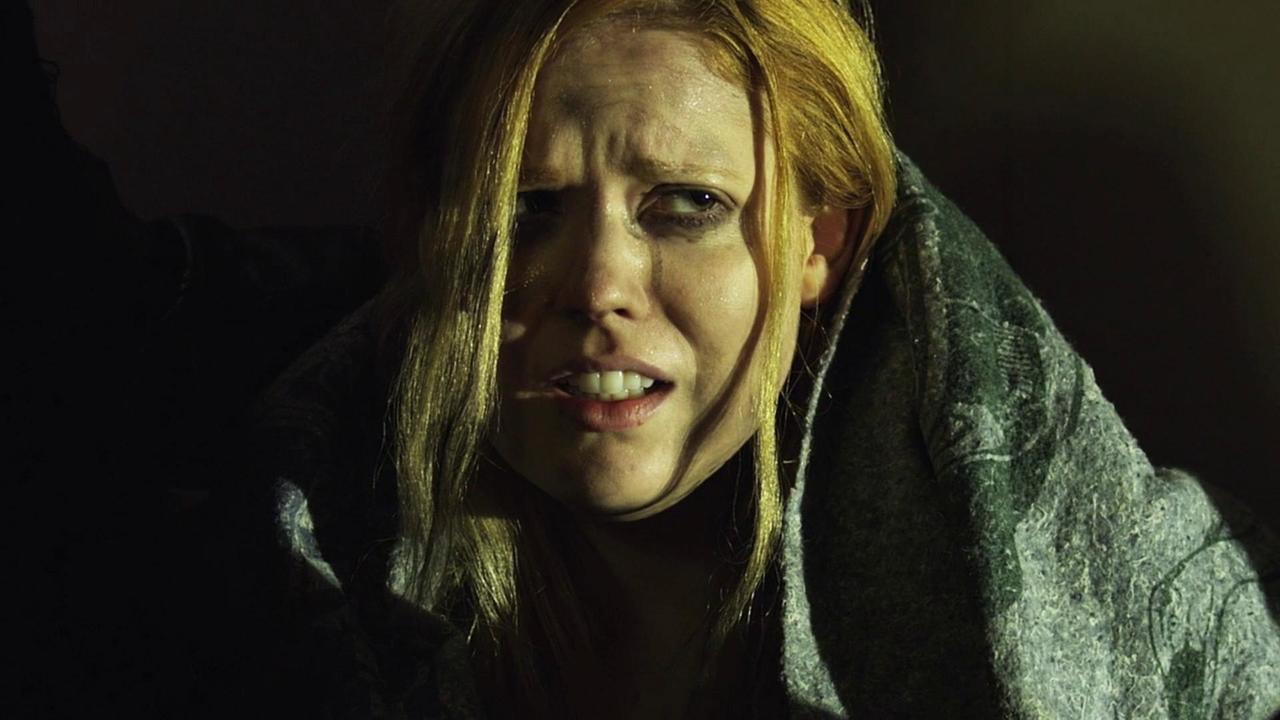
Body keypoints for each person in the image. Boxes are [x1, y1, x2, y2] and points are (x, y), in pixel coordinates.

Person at [10, 0, 1279, 718]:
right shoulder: (266, 594)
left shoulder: (1152, 601)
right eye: (526, 211)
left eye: (684, 206)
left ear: (820, 241)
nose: (598, 285)